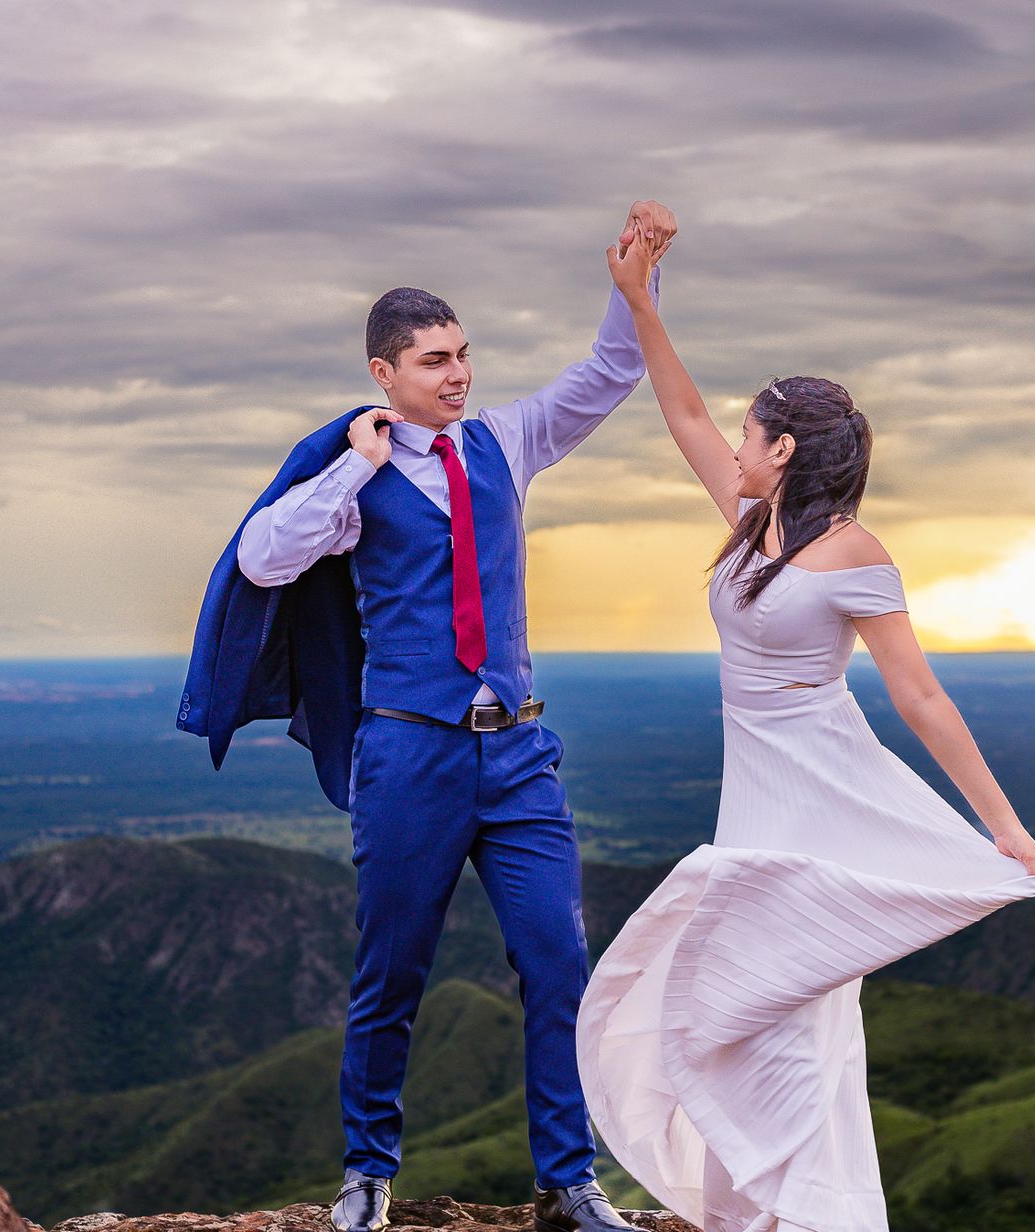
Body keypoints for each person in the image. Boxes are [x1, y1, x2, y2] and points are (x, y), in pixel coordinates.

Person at [177, 201, 676, 1232]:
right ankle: (367, 1172)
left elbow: (610, 374)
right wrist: (357, 461)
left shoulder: (504, 440)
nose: (458, 374)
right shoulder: (350, 477)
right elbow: (264, 556)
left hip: (520, 751)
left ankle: (568, 1181)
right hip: (409, 750)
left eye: (463, 354)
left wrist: (636, 285)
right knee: (390, 970)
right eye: (435, 360)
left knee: (557, 961)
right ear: (383, 373)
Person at [576, 231, 1035, 1232]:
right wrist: (639, 302)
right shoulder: (753, 523)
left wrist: (1003, 826)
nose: (739, 448)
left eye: (755, 437)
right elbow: (682, 411)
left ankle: (803, 1217)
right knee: (739, 1011)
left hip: (819, 800)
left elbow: (921, 697)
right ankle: (749, 1213)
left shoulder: (855, 554)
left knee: (783, 1018)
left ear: (785, 450)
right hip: (756, 803)